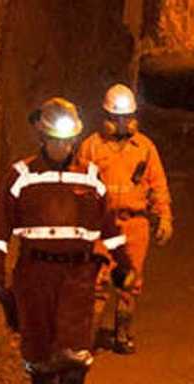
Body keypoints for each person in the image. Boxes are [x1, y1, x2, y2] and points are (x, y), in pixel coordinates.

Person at [0, 97, 135, 384]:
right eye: (55, 139)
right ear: (42, 136)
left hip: (78, 275)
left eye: (67, 140)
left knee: (75, 350)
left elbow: (109, 225)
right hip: (34, 274)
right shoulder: (21, 176)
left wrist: (122, 264)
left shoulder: (89, 176)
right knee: (39, 351)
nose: (61, 146)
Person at [77, 84, 173, 355]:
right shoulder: (91, 148)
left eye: (127, 117)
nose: (123, 122)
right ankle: (89, 338)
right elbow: (80, 188)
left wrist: (164, 216)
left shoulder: (144, 148)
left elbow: (158, 185)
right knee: (97, 281)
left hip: (135, 224)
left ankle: (122, 334)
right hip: (102, 226)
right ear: (106, 116)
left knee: (130, 282)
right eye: (117, 117)